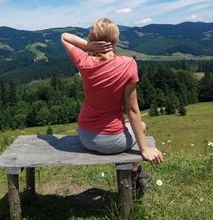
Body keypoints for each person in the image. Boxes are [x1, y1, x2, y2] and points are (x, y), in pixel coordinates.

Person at [61, 18, 163, 195]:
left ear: (93, 39)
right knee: (143, 126)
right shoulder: (128, 64)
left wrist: (88, 46)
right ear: (115, 41)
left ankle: (136, 176)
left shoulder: (84, 62)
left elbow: (64, 37)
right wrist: (144, 149)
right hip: (112, 141)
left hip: (85, 136)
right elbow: (132, 110)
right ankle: (135, 174)